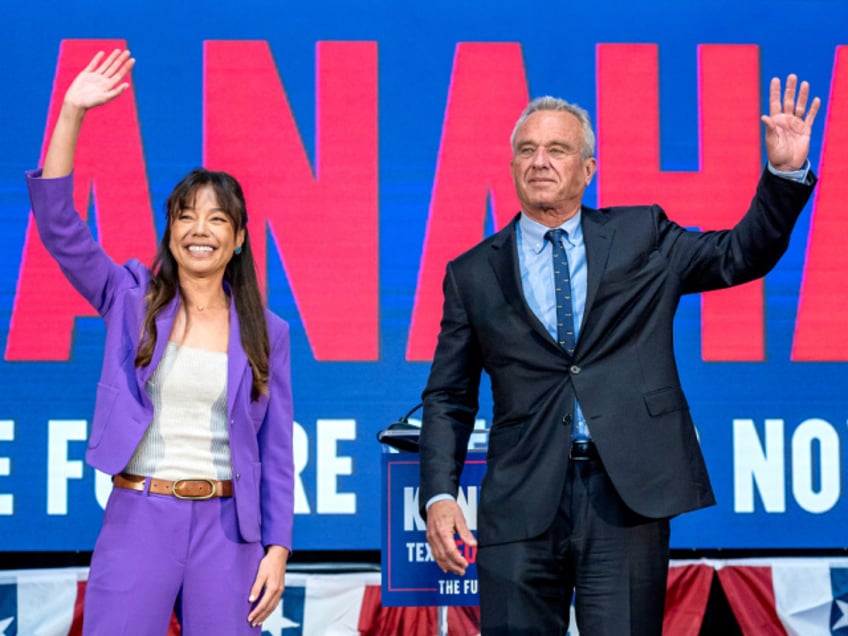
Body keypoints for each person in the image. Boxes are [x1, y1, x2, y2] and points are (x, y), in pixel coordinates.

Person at [419, 74, 820, 634]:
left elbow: (738, 256)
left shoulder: (642, 235)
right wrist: (439, 493)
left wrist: (782, 175)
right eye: (526, 150)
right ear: (511, 167)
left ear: (587, 170)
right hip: (520, 502)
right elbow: (447, 397)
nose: (539, 161)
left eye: (557, 149)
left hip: (625, 498)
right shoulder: (471, 274)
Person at [26, 49, 294, 634]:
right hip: (139, 516)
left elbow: (275, 450)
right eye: (186, 217)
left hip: (229, 531)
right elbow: (58, 227)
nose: (201, 231)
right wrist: (72, 109)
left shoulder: (268, 332)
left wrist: (277, 548)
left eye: (218, 219)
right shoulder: (129, 299)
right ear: (169, 230)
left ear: (240, 238)